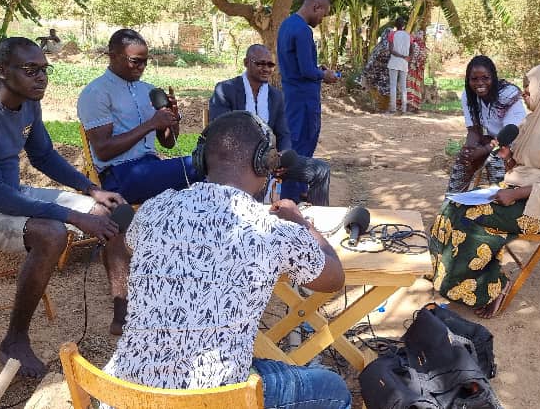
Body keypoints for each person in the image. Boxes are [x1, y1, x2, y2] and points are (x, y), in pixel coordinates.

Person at [104, 112, 351, 409]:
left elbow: (130, 246)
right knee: (333, 388)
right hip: (215, 400)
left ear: (201, 160)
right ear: (263, 162)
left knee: (250, 361)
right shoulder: (273, 229)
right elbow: (334, 278)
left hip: (124, 395)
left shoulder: (153, 209)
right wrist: (302, 223)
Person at [0, 37, 130, 377]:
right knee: (51, 233)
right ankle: (14, 341)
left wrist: (92, 191)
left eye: (44, 70)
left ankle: (122, 313)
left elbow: (44, 155)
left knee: (109, 210)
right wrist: (71, 215)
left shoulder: (28, 103)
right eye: (30, 70)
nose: (41, 78)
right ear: (2, 71)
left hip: (6, 193)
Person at [429, 64, 540, 318]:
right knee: (453, 206)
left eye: (528, 88)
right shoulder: (533, 121)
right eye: (524, 87)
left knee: (472, 218)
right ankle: (445, 277)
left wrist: (515, 194)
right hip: (517, 191)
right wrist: (510, 158)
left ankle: (491, 288)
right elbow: (529, 164)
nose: (524, 93)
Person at [77, 29, 202, 204]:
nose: (141, 67)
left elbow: (168, 143)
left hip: (151, 167)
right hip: (119, 176)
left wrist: (172, 119)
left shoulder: (148, 90)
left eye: (145, 62)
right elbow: (103, 150)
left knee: (211, 171)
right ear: (113, 56)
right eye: (135, 61)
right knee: (204, 164)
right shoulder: (96, 93)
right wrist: (151, 124)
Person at [209, 44, 332, 205]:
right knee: (255, 184)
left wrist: (283, 156)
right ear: (246, 63)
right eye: (260, 63)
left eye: (270, 64)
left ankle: (314, 227)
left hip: (270, 161)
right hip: (237, 163)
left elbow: (284, 133)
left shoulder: (276, 96)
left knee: (321, 170)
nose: (265, 68)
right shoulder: (226, 90)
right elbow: (221, 134)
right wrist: (254, 158)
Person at [276, 0, 338, 202]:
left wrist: (316, 68)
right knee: (303, 145)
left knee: (293, 144)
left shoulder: (286, 25)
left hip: (292, 96)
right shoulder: (303, 31)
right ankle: (292, 199)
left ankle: (297, 191)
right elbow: (306, 71)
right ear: (316, 7)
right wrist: (325, 74)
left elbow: (299, 64)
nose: (322, 19)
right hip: (304, 99)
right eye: (323, 14)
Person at [447, 55, 527, 193]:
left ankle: (497, 204)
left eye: (485, 78)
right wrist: (469, 149)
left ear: (493, 77)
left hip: (515, 145)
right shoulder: (469, 95)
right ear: (468, 80)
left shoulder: (507, 95)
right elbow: (474, 130)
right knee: (463, 160)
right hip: (492, 142)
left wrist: (483, 151)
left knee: (495, 158)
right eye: (474, 79)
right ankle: (453, 204)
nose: (479, 83)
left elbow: (509, 134)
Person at [361, 28, 395, 111]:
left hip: (376, 72)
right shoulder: (392, 46)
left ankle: (380, 107)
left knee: (377, 89)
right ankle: (383, 108)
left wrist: (366, 71)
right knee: (385, 90)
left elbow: (372, 59)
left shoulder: (379, 46)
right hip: (385, 73)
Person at [386, 17, 411, 114]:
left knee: (393, 86)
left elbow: (391, 50)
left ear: (395, 25)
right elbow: (412, 48)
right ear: (404, 26)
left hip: (394, 62)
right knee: (403, 87)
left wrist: (401, 56)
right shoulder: (409, 36)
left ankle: (393, 109)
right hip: (404, 63)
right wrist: (408, 57)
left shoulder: (392, 34)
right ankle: (404, 109)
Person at [406, 29, 428, 112]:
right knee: (416, 86)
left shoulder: (414, 44)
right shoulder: (423, 46)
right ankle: (416, 106)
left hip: (412, 68)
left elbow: (411, 56)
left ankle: (409, 105)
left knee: (410, 85)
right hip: (419, 71)